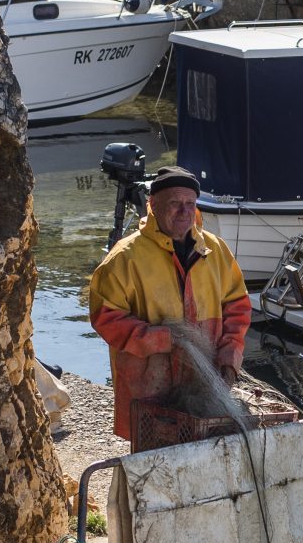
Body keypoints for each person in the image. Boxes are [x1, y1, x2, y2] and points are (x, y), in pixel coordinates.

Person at [83, 165, 251, 445]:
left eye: (190, 203)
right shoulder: (125, 258)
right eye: (174, 203)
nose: (184, 211)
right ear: (153, 205)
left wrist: (229, 357)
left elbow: (238, 307)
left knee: (204, 464)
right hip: (149, 389)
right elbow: (105, 318)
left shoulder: (215, 250)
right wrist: (160, 339)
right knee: (151, 466)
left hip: (205, 388)